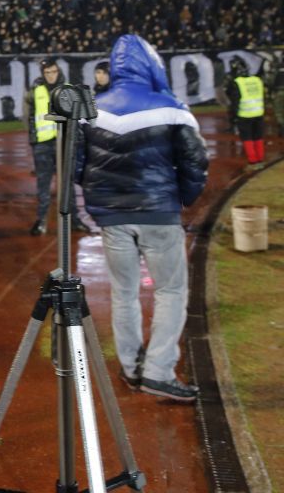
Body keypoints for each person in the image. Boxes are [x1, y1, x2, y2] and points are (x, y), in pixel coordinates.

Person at [78, 34, 209, 402]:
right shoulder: (171, 106)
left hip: (111, 218)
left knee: (123, 293)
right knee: (170, 291)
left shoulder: (92, 108)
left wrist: (100, 200)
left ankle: (132, 367)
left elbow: (74, 164)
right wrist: (181, 198)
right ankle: (158, 371)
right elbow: (196, 162)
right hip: (159, 214)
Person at [23, 57, 89, 235]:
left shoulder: (68, 89)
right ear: (43, 74)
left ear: (58, 71)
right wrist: (34, 139)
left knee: (67, 184)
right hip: (43, 144)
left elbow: (76, 117)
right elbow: (30, 116)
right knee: (43, 185)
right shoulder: (36, 90)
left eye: (53, 72)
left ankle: (74, 220)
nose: (50, 76)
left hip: (63, 143)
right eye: (47, 73)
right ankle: (41, 220)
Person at [225, 56, 266, 169]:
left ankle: (252, 162)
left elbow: (235, 101)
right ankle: (260, 160)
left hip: (245, 114)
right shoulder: (257, 80)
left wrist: (233, 116)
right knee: (258, 137)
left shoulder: (237, 83)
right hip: (258, 112)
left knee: (247, 138)